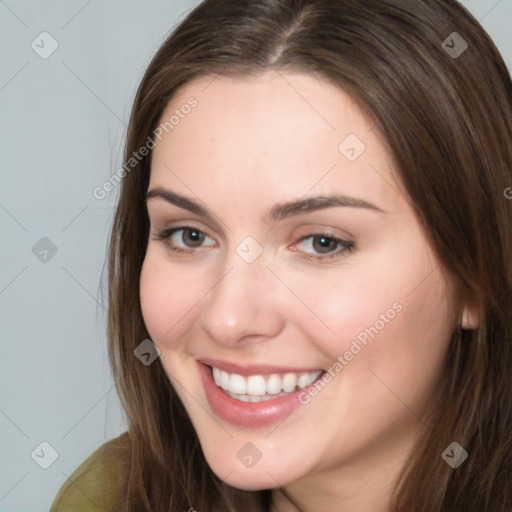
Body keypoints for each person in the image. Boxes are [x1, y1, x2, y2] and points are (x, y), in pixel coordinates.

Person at [50, 0, 512, 510]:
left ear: (478, 275)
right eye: (190, 235)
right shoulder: (110, 497)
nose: (228, 319)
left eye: (322, 242)